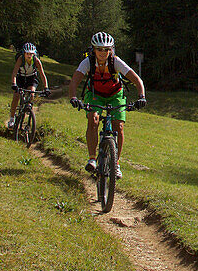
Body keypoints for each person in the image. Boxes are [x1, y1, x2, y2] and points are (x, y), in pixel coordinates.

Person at [68, 32, 145, 179]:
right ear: (93, 49)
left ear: (111, 50)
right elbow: (74, 81)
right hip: (95, 94)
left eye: (106, 49)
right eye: (99, 49)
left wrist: (142, 96)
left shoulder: (115, 61)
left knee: (119, 126)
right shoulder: (87, 62)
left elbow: (136, 80)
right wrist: (73, 97)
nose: (103, 52)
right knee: (93, 118)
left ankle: (115, 164)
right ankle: (92, 158)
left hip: (115, 94)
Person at [8, 42, 49, 129]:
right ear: (24, 53)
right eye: (27, 53)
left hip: (31, 78)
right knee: (16, 96)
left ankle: (29, 110)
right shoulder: (20, 59)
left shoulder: (36, 60)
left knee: (32, 93)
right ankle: (12, 119)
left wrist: (46, 88)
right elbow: (14, 72)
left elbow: (42, 74)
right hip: (21, 78)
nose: (29, 56)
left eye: (31, 54)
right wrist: (14, 84)